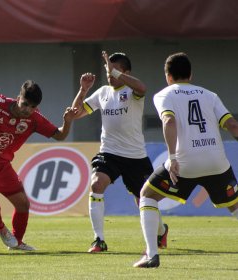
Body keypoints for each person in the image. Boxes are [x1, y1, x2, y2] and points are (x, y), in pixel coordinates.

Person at [133, 52, 238, 268]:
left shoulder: (164, 95)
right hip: (216, 162)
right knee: (235, 205)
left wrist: (171, 157)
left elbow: (169, 121)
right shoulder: (210, 95)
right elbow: (233, 126)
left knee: (147, 195)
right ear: (191, 74)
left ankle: (152, 254)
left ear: (168, 76)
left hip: (185, 164)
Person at [0, 80, 77, 251]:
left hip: (1, 165)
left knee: (23, 204)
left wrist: (67, 121)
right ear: (17, 99)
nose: (27, 110)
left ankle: (17, 242)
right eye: (25, 104)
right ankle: (2, 230)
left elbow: (60, 136)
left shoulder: (35, 119)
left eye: (32, 107)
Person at [72, 51, 168, 253]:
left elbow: (143, 87)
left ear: (126, 72)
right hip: (109, 152)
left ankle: (161, 231)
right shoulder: (102, 93)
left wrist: (115, 72)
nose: (110, 74)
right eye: (108, 71)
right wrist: (83, 90)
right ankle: (99, 240)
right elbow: (76, 114)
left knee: (144, 199)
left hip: (135, 156)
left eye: (114, 70)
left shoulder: (133, 91)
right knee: (97, 184)